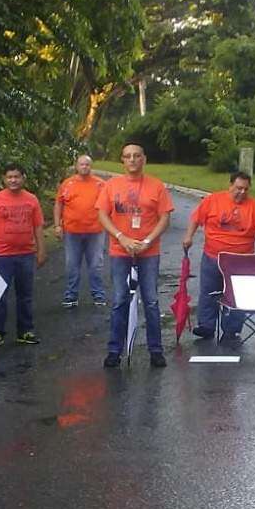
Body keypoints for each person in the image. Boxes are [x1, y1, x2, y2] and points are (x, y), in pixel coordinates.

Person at [96, 143, 174, 368]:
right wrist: (121, 237)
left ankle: (156, 350)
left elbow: (164, 218)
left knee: (150, 300)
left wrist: (147, 241)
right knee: (120, 299)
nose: (132, 160)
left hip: (149, 252)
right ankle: (114, 351)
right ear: (122, 160)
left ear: (144, 159)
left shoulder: (156, 186)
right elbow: (102, 215)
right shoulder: (111, 185)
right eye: (128, 156)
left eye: (137, 156)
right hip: (120, 251)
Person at [180, 171, 255, 344]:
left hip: (241, 260)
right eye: (238, 188)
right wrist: (188, 236)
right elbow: (196, 219)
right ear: (230, 186)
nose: (242, 192)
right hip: (214, 256)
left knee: (238, 295)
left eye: (246, 189)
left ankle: (232, 330)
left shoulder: (254, 206)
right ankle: (206, 326)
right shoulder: (213, 200)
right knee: (209, 292)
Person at [0, 163, 47, 346]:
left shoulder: (31, 200)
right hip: (0, 256)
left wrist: (41, 250)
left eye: (17, 176)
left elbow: (38, 226)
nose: (13, 180)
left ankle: (25, 331)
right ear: (4, 179)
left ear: (23, 178)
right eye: (9, 177)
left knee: (25, 295)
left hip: (25, 254)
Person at [54, 154, 107, 308]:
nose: (84, 167)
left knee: (96, 264)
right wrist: (57, 225)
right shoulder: (67, 184)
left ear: (91, 166)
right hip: (72, 232)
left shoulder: (101, 185)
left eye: (87, 164)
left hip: (96, 231)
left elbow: (108, 206)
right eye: (81, 164)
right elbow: (58, 205)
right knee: (72, 264)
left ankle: (99, 295)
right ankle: (71, 296)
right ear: (76, 166)